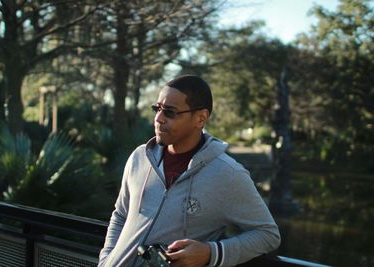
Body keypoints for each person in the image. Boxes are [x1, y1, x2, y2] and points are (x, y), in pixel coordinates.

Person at [98, 75, 281, 267]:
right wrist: (106, 261)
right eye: (157, 109)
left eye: (170, 112)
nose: (158, 119)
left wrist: (211, 253)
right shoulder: (139, 157)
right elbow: (120, 215)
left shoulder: (228, 174)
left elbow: (268, 234)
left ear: (201, 118)